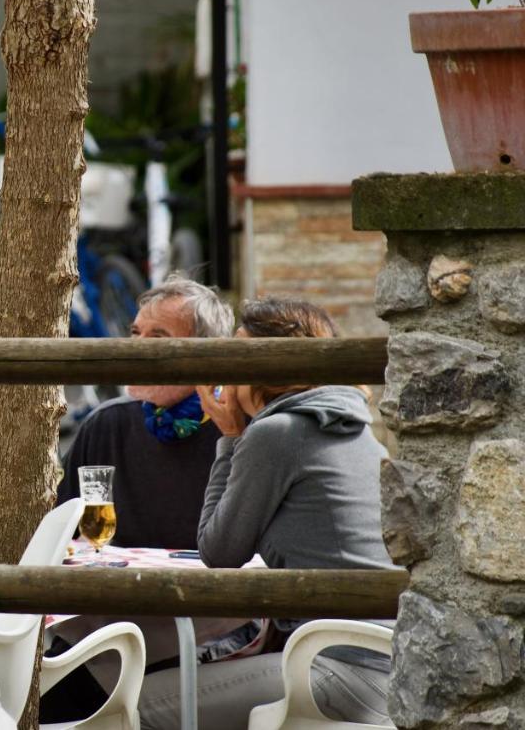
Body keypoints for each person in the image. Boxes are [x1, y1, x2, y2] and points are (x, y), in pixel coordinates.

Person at [136, 297, 396, 730]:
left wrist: (231, 436)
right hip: (383, 662)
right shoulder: (353, 427)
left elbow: (218, 551)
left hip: (337, 668)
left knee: (138, 705)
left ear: (267, 368)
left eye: (238, 354)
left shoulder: (277, 434)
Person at [44, 276, 235, 722]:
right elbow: (63, 534)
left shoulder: (236, 433)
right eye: (135, 335)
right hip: (112, 630)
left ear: (203, 352)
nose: (138, 347)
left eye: (159, 337)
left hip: (211, 630)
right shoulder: (107, 426)